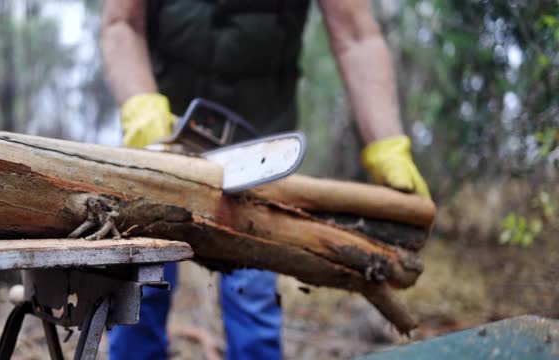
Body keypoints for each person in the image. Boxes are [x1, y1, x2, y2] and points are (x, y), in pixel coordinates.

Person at [101, 1, 430, 359]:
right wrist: (140, 105)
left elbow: (356, 36)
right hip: (160, 132)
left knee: (251, 294)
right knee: (139, 284)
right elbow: (122, 23)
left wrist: (387, 146)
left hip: (259, 147)